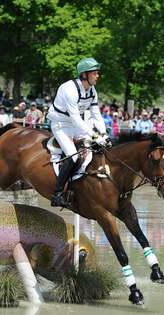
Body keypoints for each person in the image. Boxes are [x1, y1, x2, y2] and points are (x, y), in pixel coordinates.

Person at [46, 57, 109, 208]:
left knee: (96, 148)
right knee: (73, 157)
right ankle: (57, 195)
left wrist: (103, 134)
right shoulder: (69, 89)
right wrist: (94, 135)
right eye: (94, 73)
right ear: (84, 75)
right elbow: (75, 118)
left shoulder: (92, 90)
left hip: (77, 125)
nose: (97, 76)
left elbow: (96, 115)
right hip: (61, 125)